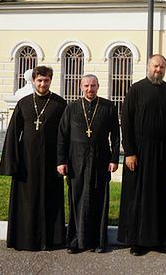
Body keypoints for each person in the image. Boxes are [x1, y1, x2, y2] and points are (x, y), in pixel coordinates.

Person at [0, 65, 67, 251]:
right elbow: (13, 133)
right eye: (39, 80)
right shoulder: (24, 103)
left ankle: (51, 240)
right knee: (26, 201)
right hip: (26, 161)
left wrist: (64, 160)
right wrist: (11, 163)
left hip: (51, 161)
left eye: (46, 80)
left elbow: (65, 135)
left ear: (50, 81)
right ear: (34, 81)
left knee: (50, 199)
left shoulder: (60, 104)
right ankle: (24, 239)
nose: (43, 84)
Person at [117, 54, 166, 256]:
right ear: (149, 67)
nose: (158, 70)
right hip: (139, 151)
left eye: (161, 67)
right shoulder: (136, 89)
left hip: (160, 151)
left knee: (158, 194)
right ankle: (136, 240)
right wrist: (130, 152)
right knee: (138, 195)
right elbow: (126, 121)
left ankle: (157, 238)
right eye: (155, 66)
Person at [56, 74, 120, 253]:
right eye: (86, 86)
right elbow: (62, 136)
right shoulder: (71, 108)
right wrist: (61, 161)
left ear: (98, 86)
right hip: (76, 159)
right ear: (80, 87)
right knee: (77, 198)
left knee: (99, 199)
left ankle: (98, 241)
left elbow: (115, 136)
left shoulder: (108, 106)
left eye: (93, 86)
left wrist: (114, 159)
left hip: (101, 159)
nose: (90, 89)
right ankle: (76, 241)